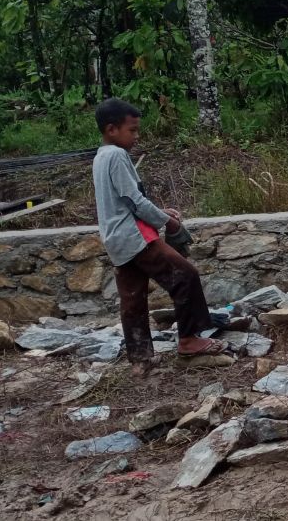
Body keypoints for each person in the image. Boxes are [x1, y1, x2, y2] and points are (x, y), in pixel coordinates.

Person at [91, 98, 227, 374]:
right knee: (185, 275)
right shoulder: (117, 156)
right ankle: (189, 341)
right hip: (134, 236)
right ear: (112, 129)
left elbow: (123, 199)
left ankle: (140, 360)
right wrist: (168, 223)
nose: (136, 136)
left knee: (133, 298)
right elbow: (133, 200)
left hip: (114, 239)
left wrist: (158, 211)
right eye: (132, 130)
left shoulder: (100, 156)